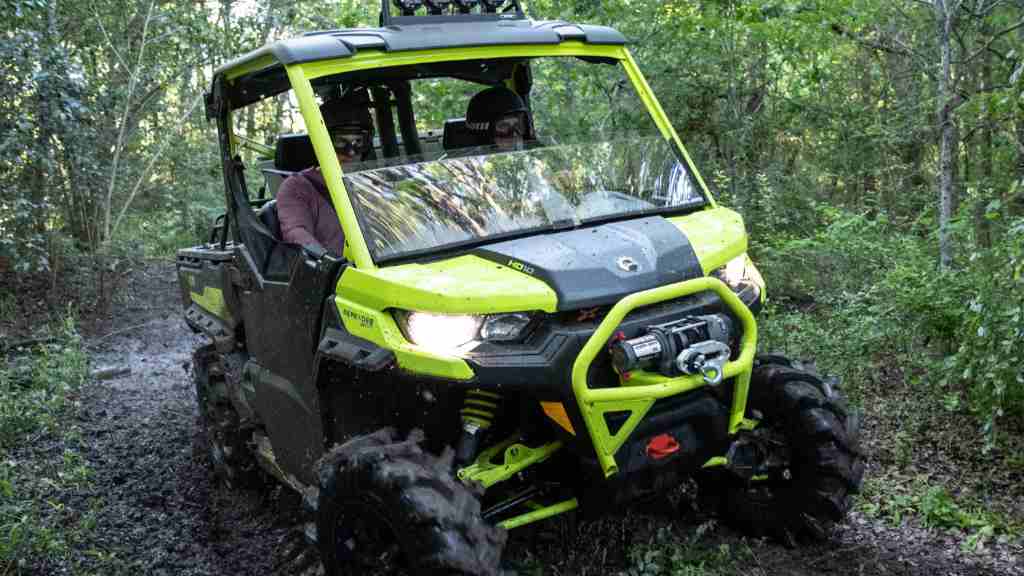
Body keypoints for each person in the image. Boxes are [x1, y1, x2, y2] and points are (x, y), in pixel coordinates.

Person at [277, 89, 374, 258]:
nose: (351, 152)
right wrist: (331, 264)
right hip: (336, 278)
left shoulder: (372, 181)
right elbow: (296, 233)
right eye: (341, 142)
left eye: (358, 142)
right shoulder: (297, 187)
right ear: (323, 142)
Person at [465, 86, 532, 150]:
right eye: (503, 126)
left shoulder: (528, 154)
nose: (514, 135)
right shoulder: (467, 161)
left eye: (518, 126)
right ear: (483, 133)